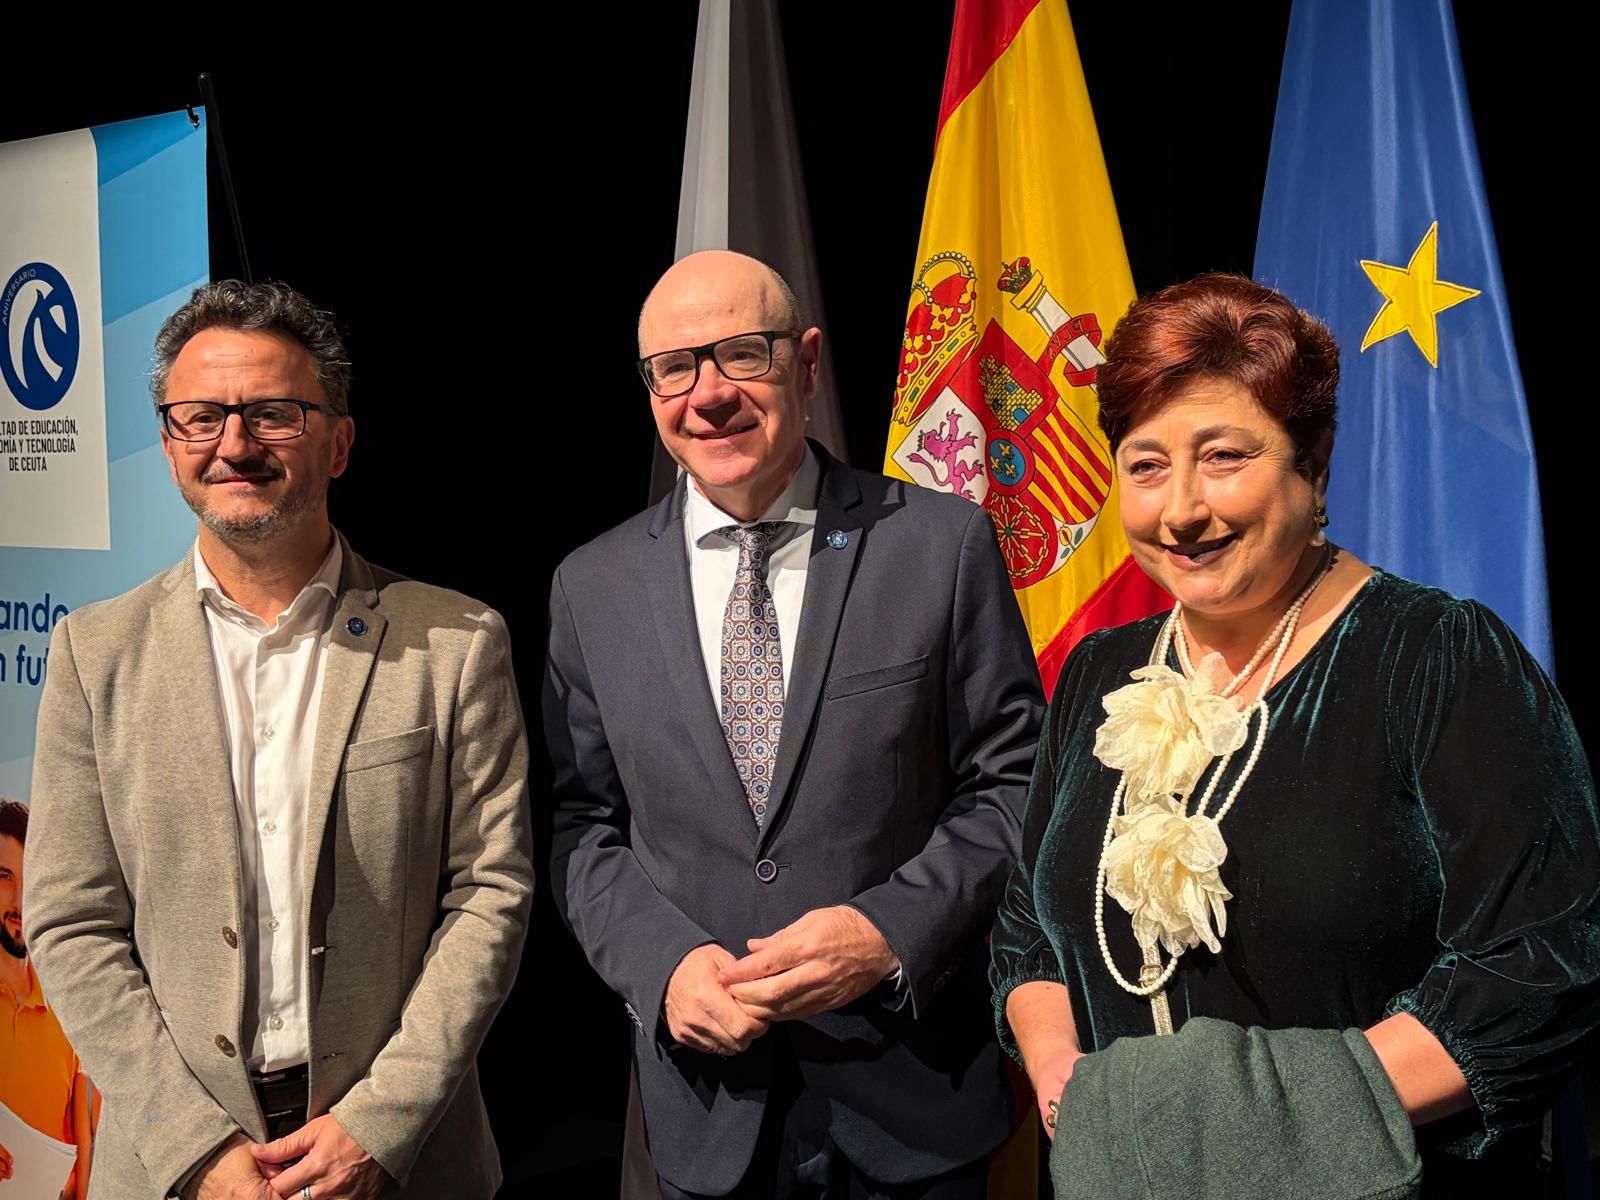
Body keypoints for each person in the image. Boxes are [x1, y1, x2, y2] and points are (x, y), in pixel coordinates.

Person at [990, 272, 1600, 1196]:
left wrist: (1231, 1123)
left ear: (1314, 465)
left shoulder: (1437, 657)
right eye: (1146, 465)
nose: (1182, 509)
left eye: (1224, 456)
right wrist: (1069, 1088)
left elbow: (1541, 963)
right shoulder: (1097, 670)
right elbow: (1029, 931)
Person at [545, 250, 1044, 1198]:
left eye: (743, 354)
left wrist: (888, 929)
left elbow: (1016, 783)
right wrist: (663, 967)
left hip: (910, 1101)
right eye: (675, 369)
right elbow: (584, 825)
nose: (710, 395)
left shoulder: (940, 545)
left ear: (808, 363)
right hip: (702, 1113)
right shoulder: (590, 587)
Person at [25, 280, 534, 1200]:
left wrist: (379, 1124)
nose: (234, 444)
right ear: (170, 443)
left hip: (405, 1160)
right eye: (200, 417)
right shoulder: (93, 655)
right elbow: (70, 922)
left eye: (273, 414)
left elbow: (490, 894)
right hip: (172, 1165)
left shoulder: (456, 643)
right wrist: (194, 1148)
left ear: (339, 443)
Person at [1, 797, 96, 1199]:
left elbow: (86, 1147)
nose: (20, 903)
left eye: (30, 879)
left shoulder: (68, 1002)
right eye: (4, 877)